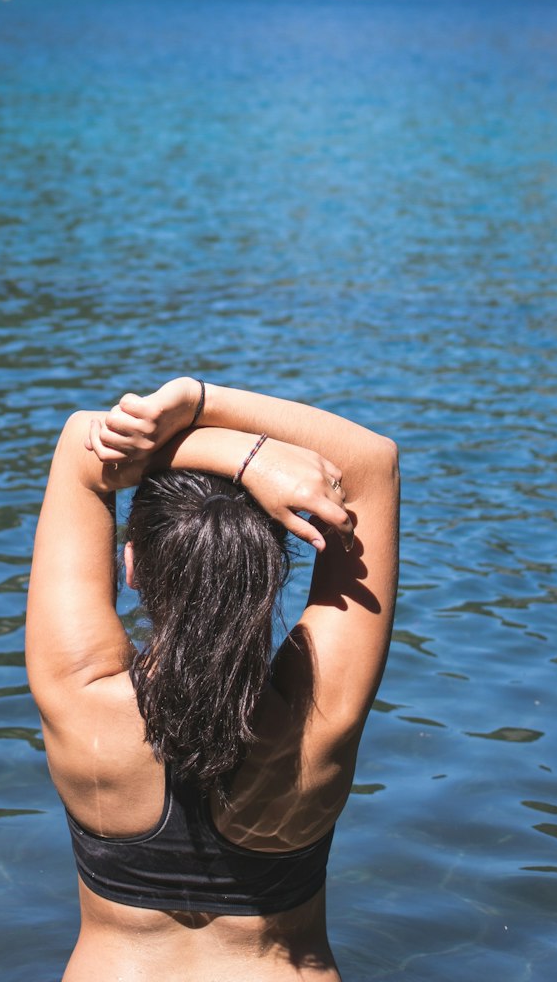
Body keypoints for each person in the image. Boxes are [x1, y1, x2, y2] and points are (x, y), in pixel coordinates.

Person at [25, 376, 400, 981]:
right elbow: (372, 463)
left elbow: (81, 448)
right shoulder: (321, 713)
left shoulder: (79, 693)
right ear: (270, 574)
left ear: (133, 565)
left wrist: (239, 457)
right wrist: (204, 403)